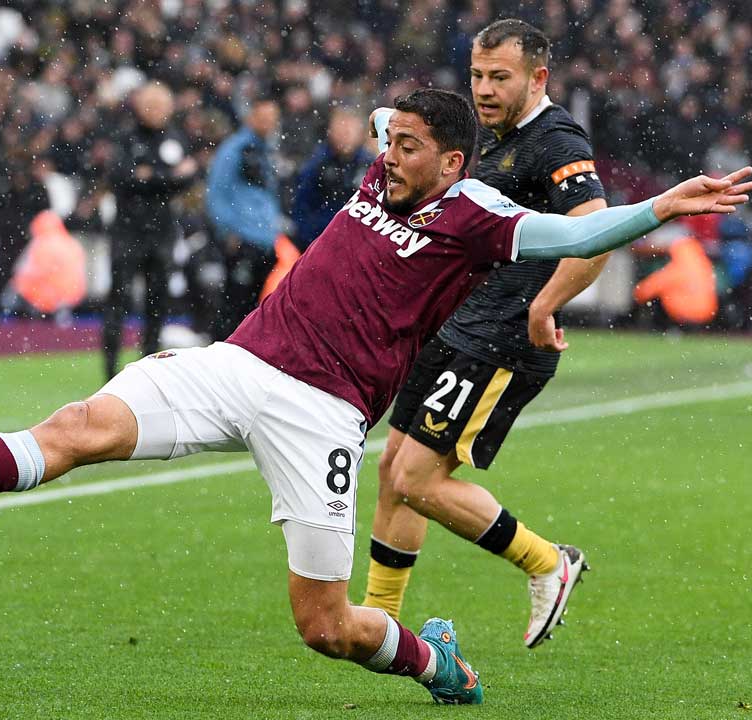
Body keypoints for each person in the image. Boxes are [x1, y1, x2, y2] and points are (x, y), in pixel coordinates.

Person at [0, 90, 752, 706]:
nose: (389, 155)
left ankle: (437, 663)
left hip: (323, 414)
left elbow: (564, 236)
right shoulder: (389, 163)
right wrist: (394, 119)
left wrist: (660, 209)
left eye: (411, 146)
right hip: (239, 361)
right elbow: (393, 114)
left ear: (455, 162)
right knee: (76, 427)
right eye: (390, 140)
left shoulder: (480, 218)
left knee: (326, 627)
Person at [363, 19, 608, 648]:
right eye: (477, 75)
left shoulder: (554, 140)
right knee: (394, 471)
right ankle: (378, 622)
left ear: (538, 77)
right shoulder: (494, 141)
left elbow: (598, 233)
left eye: (501, 77)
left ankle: (547, 561)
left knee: (418, 479)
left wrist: (544, 303)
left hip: (501, 339)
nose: (485, 88)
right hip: (459, 328)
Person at [103, 82, 198, 379]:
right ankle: (109, 374)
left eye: (160, 106)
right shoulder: (125, 138)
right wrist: (166, 177)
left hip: (161, 234)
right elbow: (122, 177)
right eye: (150, 105)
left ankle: (147, 374)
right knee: (118, 302)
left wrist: (151, 177)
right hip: (128, 233)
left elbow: (190, 176)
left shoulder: (175, 137)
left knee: (157, 305)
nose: (155, 111)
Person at [205, 98, 282, 339]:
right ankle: (219, 363)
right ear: (251, 117)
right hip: (244, 239)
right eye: (263, 117)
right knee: (234, 308)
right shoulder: (235, 149)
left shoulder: (265, 150)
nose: (268, 122)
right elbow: (217, 192)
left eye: (272, 118)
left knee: (248, 309)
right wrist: (228, 232)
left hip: (263, 240)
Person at [291, 107, 375, 251]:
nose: (345, 135)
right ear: (331, 131)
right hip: (319, 244)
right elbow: (301, 208)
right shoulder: (317, 164)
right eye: (341, 128)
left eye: (350, 130)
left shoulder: (371, 165)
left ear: (360, 133)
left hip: (357, 247)